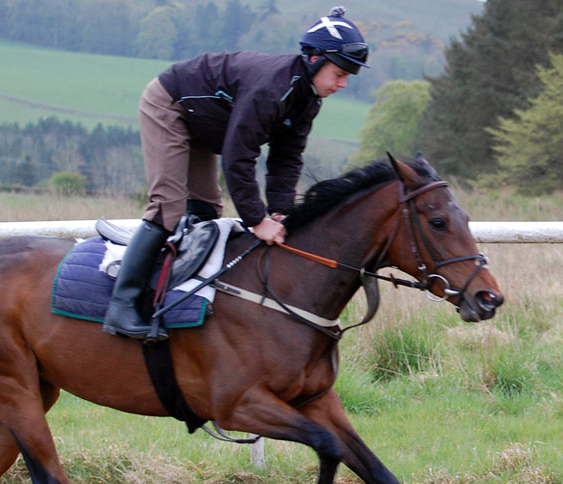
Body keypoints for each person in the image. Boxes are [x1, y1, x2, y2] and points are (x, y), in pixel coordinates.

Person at [103, 6, 370, 340]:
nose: (343, 83)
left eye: (349, 75)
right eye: (341, 72)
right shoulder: (270, 88)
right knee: (167, 208)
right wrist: (257, 220)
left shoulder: (308, 99)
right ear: (314, 59)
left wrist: (281, 211)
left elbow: (286, 158)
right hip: (171, 105)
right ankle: (121, 306)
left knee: (206, 211)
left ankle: (174, 297)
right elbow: (238, 157)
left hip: (205, 122)